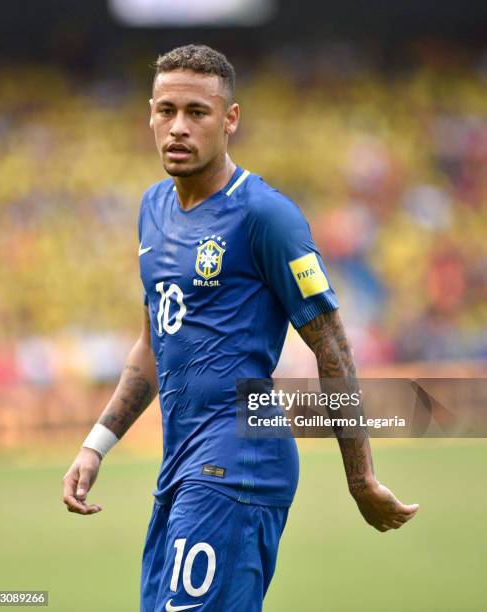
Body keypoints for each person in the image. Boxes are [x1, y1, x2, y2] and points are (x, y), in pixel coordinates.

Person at [62, 44, 419, 611]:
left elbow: (334, 350)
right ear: (150, 114)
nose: (178, 127)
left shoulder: (265, 215)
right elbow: (156, 336)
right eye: (166, 110)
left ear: (230, 120)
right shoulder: (152, 208)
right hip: (180, 464)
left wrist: (361, 478)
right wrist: (96, 444)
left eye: (197, 113)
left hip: (238, 465)